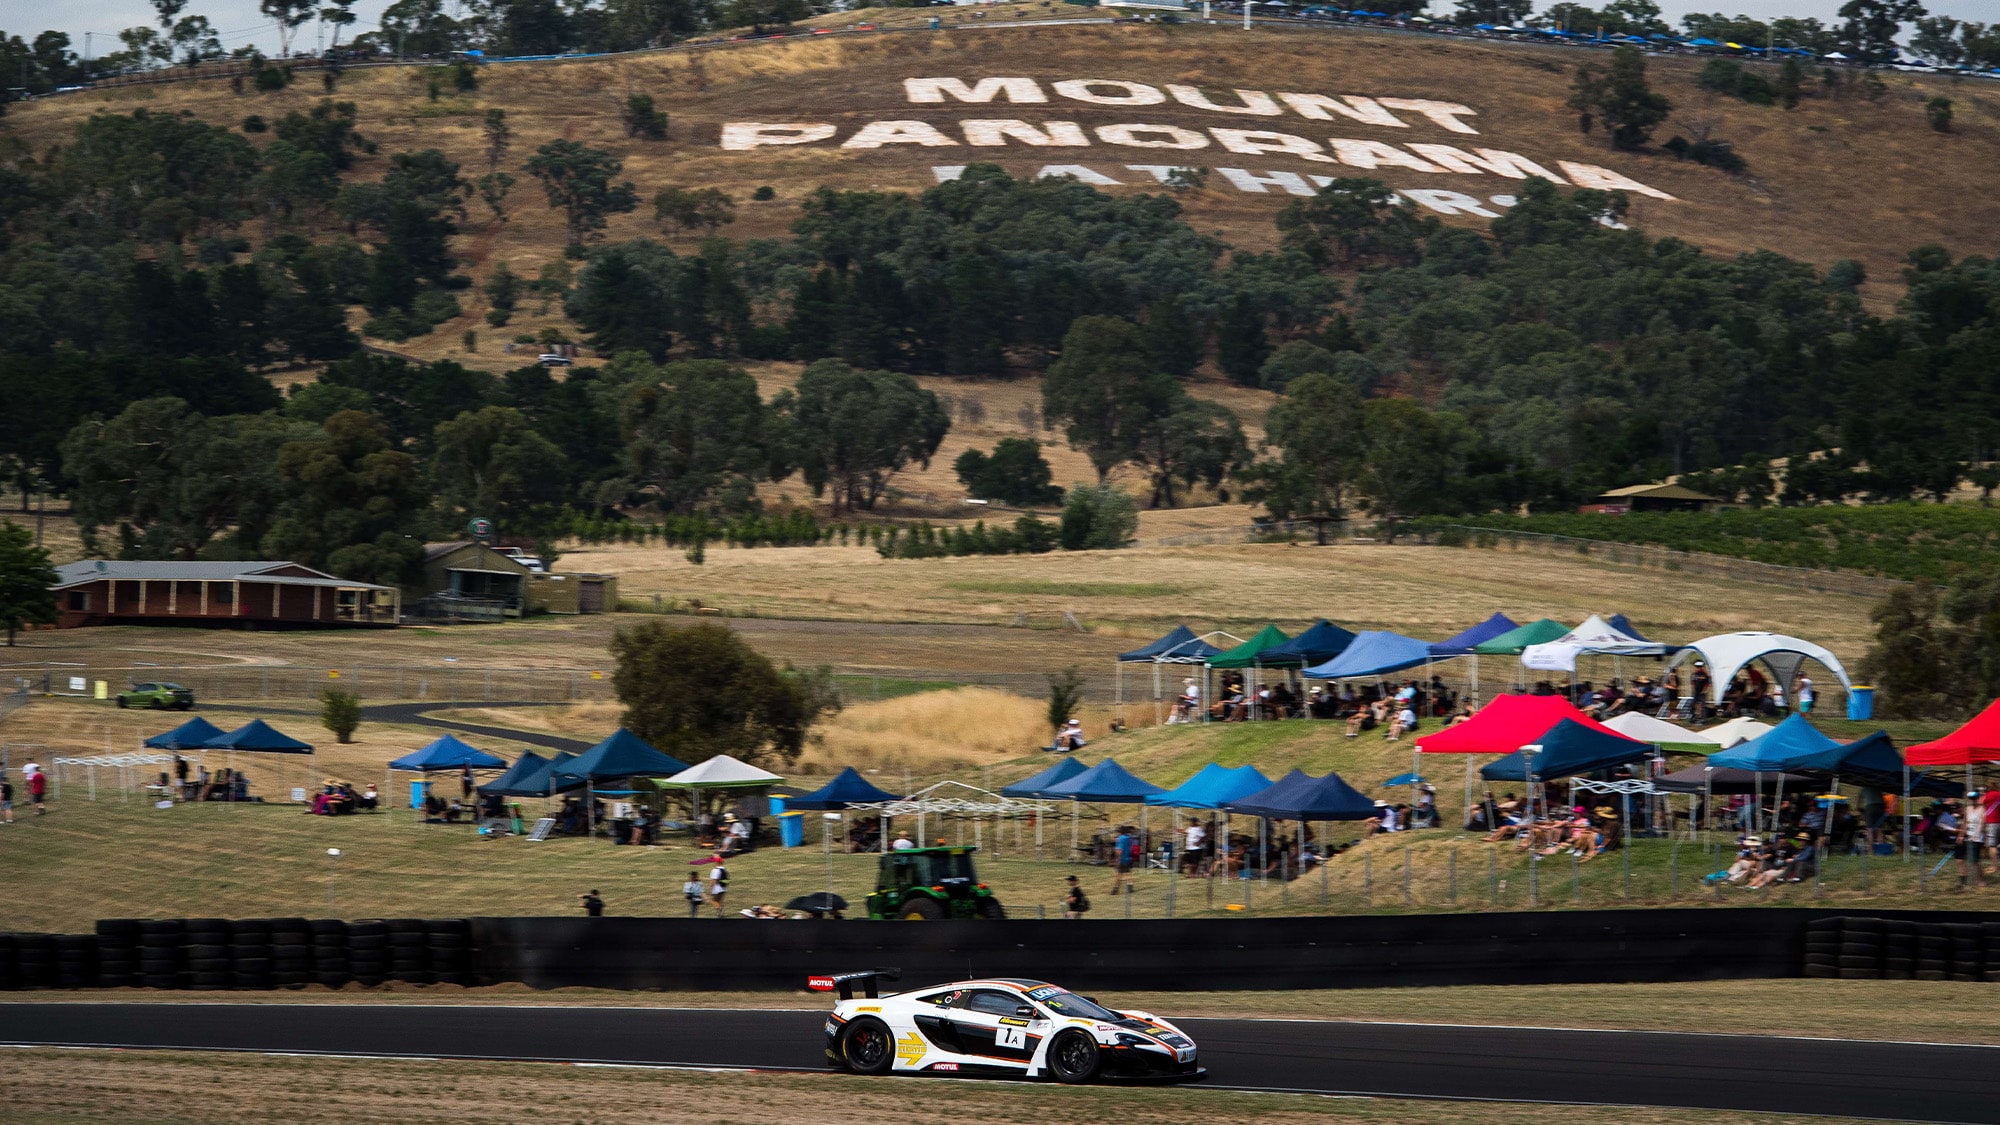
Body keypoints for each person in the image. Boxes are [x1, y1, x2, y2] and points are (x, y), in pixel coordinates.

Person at [1110, 825, 1137, 895]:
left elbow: (1119, 850)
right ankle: (1130, 887)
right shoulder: (1129, 838)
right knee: (1128, 873)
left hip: (1122, 859)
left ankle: (1115, 889)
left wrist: (1117, 859)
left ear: (1120, 832)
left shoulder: (1120, 839)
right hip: (1129, 858)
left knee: (1118, 875)